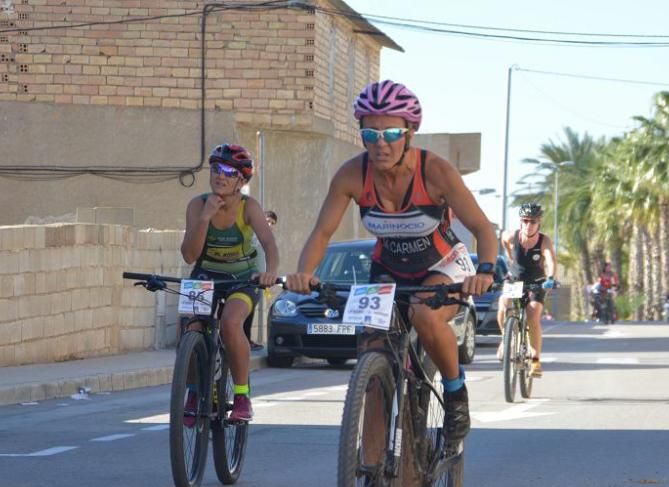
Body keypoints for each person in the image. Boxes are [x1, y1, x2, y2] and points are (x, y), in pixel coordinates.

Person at [285, 79, 498, 448]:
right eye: (370, 133)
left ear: (410, 133)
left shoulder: (436, 171)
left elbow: (481, 227)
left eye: (391, 132)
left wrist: (486, 271)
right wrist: (305, 273)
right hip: (389, 269)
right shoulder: (353, 175)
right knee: (373, 364)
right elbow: (322, 232)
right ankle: (369, 475)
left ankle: (455, 392)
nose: (380, 143)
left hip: (444, 263)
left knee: (424, 313)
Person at [181, 143, 279, 423]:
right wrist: (205, 218)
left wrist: (270, 271)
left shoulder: (250, 207)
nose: (220, 176)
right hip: (204, 275)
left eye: (228, 171)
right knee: (190, 326)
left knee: (230, 323)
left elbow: (269, 244)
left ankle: (241, 396)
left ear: (242, 180)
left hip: (241, 279)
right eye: (215, 169)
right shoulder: (198, 205)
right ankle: (192, 390)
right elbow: (189, 255)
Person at [495, 202, 558, 375]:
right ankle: (505, 339)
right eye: (525, 221)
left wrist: (551, 278)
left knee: (533, 313)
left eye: (533, 222)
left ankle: (536, 360)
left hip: (536, 282)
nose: (528, 225)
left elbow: (551, 260)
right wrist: (509, 256)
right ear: (520, 221)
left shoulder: (544, 241)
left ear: (539, 223)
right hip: (515, 279)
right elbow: (503, 241)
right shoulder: (512, 236)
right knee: (503, 305)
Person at [243, 210, 278, 351]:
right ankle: (245, 340)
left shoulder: (267, 239)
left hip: (259, 279)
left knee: (250, 310)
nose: (269, 224)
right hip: (247, 277)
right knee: (246, 309)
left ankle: (246, 339)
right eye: (267, 220)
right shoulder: (252, 235)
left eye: (272, 223)